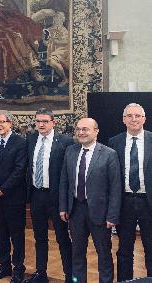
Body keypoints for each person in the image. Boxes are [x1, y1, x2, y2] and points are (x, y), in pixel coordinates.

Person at [59, 118, 121, 283]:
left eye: (85, 129)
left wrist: (112, 215)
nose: (81, 132)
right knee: (77, 253)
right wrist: (63, 207)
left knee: (104, 254)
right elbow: (64, 181)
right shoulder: (70, 151)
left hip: (100, 213)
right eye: (78, 129)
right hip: (75, 210)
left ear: (96, 131)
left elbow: (115, 187)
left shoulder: (109, 154)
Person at [24, 108, 73, 283]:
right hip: (37, 195)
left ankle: (70, 275)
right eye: (38, 121)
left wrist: (66, 202)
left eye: (45, 121)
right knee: (39, 237)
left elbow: (69, 173)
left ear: (54, 122)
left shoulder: (65, 142)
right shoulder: (30, 140)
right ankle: (41, 273)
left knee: (62, 237)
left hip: (56, 198)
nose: (41, 124)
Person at [108, 103, 152, 281]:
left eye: (138, 116)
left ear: (144, 119)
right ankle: (125, 281)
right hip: (124, 202)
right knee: (124, 249)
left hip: (148, 202)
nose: (134, 119)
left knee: (151, 248)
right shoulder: (114, 142)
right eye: (130, 116)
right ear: (123, 119)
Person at [0, 110, 27, 283]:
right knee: (0, 234)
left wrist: (2, 189)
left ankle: (18, 268)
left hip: (13, 197)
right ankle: (4, 265)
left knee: (16, 235)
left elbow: (20, 170)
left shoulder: (20, 143)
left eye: (2, 122)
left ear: (10, 123)